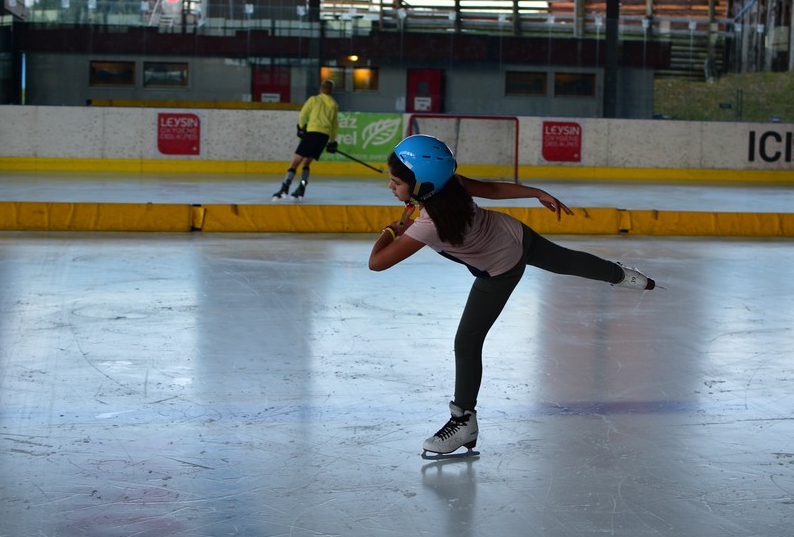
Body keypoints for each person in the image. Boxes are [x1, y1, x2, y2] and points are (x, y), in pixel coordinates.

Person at [368, 135, 657, 457]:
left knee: (466, 342)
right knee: (566, 261)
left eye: (395, 182)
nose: (391, 188)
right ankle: (625, 276)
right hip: (513, 233)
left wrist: (393, 229)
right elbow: (491, 190)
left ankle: (463, 420)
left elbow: (377, 263)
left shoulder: (426, 225)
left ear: (422, 186)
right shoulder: (451, 186)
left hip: (500, 268)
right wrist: (536, 192)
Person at [272, 80, 340, 201]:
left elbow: (303, 114)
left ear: (320, 89)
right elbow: (334, 126)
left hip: (312, 132)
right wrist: (331, 142)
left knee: (295, 161)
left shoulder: (314, 99)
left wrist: (302, 127)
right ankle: (302, 188)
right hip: (323, 136)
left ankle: (285, 187)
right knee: (307, 163)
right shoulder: (334, 104)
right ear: (331, 91)